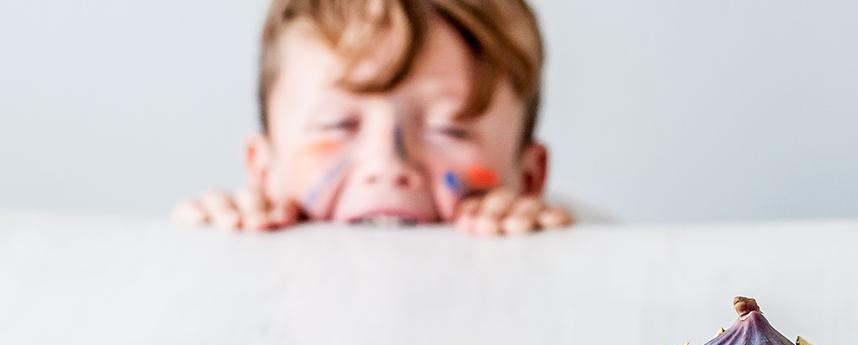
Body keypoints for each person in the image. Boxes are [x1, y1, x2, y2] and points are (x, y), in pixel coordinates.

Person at [172, 0, 571, 235]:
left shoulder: (551, 233)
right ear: (261, 168)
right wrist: (213, 244)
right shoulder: (238, 240)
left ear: (531, 179)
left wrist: (546, 245)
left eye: (449, 129)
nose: (387, 166)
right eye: (336, 125)